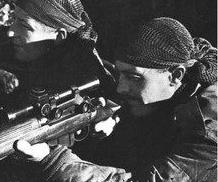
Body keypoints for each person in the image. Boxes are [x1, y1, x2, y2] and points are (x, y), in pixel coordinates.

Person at [0, 0, 116, 182]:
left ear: (59, 36)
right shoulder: (38, 52)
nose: (11, 31)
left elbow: (5, 142)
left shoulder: (75, 83)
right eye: (14, 19)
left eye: (24, 26)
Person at [16, 17, 217, 181]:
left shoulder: (210, 130)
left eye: (134, 77)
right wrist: (117, 119)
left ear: (176, 75)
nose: (121, 88)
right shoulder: (177, 93)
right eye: (121, 74)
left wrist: (53, 161)